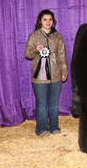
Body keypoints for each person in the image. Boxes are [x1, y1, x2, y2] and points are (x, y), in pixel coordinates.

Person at [25, 9, 68, 137]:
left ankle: (54, 126)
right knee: (41, 103)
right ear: (40, 21)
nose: (48, 22)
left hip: (56, 75)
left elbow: (62, 55)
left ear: (53, 21)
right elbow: (27, 54)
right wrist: (35, 49)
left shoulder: (58, 36)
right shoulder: (33, 36)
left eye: (50, 19)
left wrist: (64, 71)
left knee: (54, 103)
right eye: (45, 19)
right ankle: (41, 128)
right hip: (39, 77)